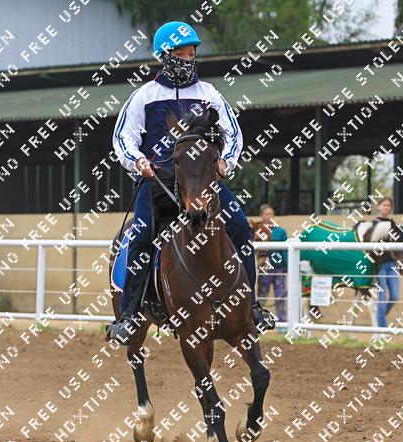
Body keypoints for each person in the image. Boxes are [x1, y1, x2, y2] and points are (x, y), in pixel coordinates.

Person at [106, 21, 275, 344]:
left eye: (191, 53)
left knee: (240, 227)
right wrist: (138, 161)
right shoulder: (144, 95)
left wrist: (226, 161)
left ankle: (251, 306)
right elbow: (123, 138)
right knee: (141, 234)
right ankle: (129, 315)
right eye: (181, 54)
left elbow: (233, 134)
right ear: (165, 56)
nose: (188, 59)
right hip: (157, 182)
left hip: (203, 181)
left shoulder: (209, 93)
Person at [252, 204, 287, 323]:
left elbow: (285, 250)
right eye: (266, 214)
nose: (269, 216)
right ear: (262, 216)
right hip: (264, 269)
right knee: (262, 295)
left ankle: (282, 322)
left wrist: (286, 265)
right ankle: (259, 320)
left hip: (278, 268)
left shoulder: (280, 231)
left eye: (271, 213)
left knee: (280, 295)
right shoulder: (256, 230)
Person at [369, 196, 400, 328]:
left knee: (395, 296)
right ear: (379, 207)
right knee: (383, 295)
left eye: (389, 205)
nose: (386, 207)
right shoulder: (373, 224)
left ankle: (379, 317)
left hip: (392, 264)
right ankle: (382, 327)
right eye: (384, 205)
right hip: (380, 265)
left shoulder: (393, 224)